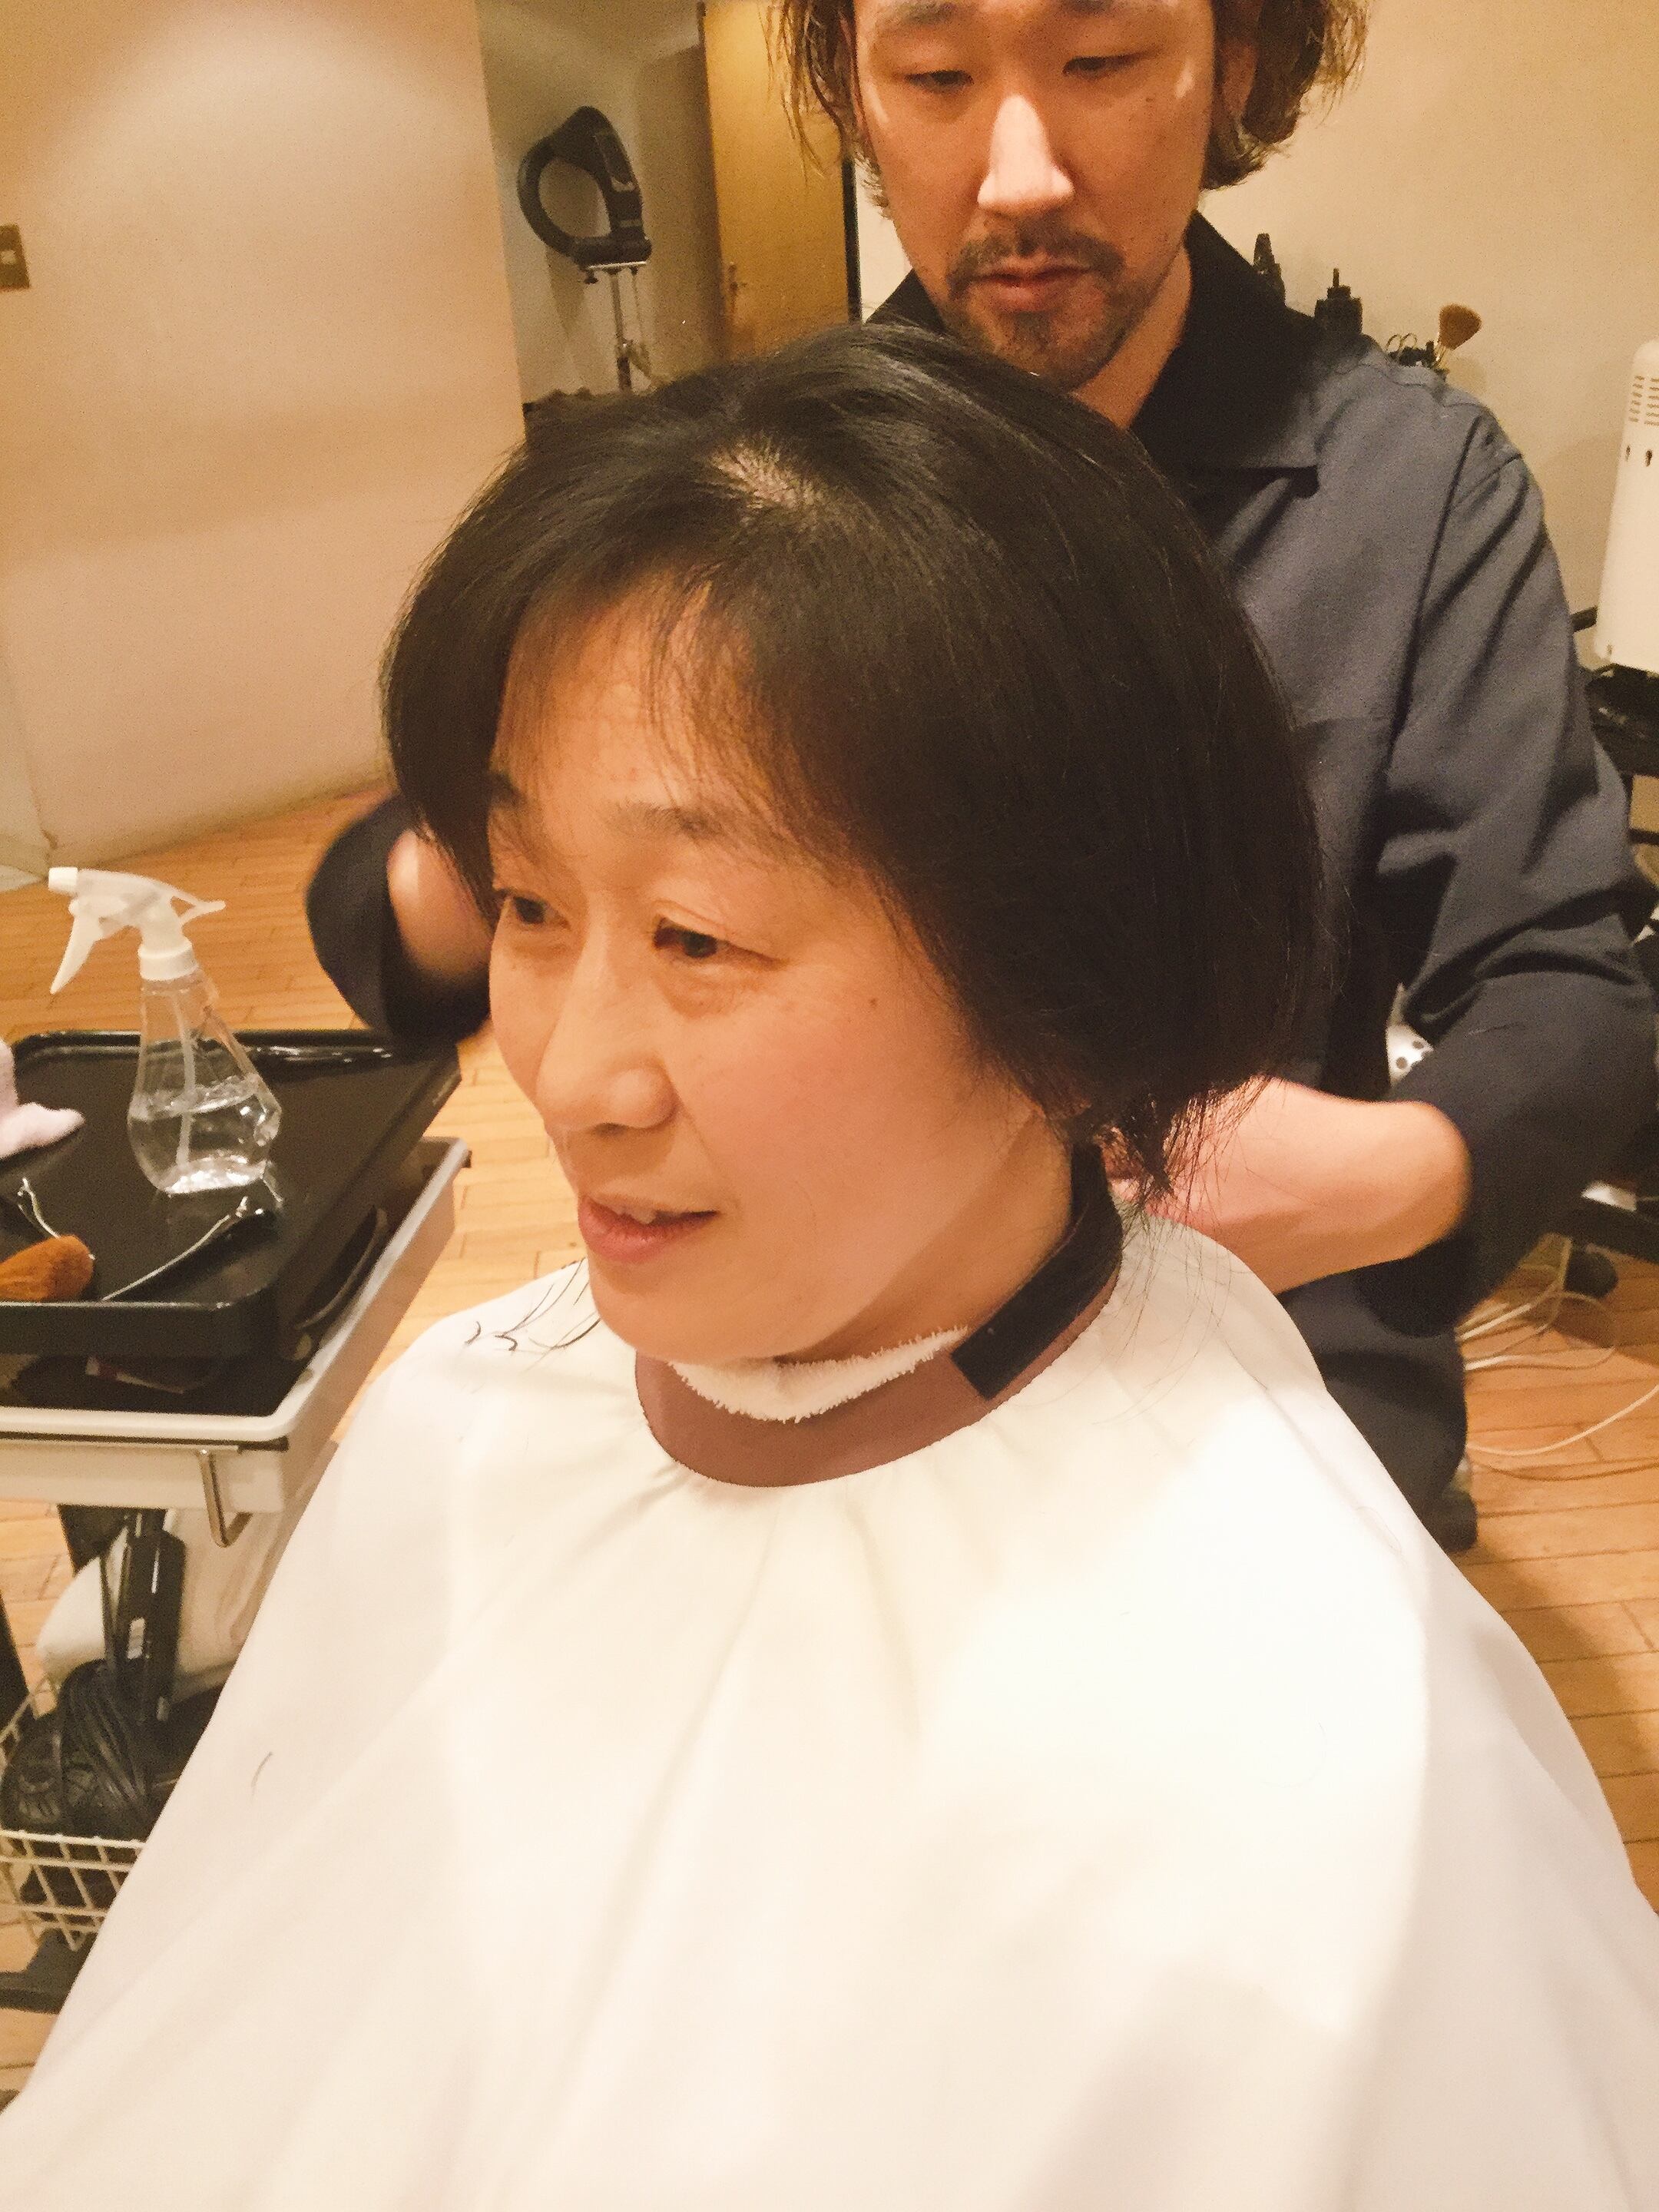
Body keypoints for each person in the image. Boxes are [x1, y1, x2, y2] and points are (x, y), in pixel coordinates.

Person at [8, 327, 1659, 2210]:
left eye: (699, 937)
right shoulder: (452, 1438)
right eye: (532, 904)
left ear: (1062, 996)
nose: (573, 1072)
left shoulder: (1316, 1753)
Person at [308, 0, 1658, 1551]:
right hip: (825, 1351)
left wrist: (1377, 1175)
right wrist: (542, 865)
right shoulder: (762, 482)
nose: (1018, 172)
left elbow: (1569, 984)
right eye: (938, 78)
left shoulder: (1408, 493)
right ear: (854, 89)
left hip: (1260, 1370)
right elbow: (392, 899)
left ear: (1233, 64)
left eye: (1100, 64)